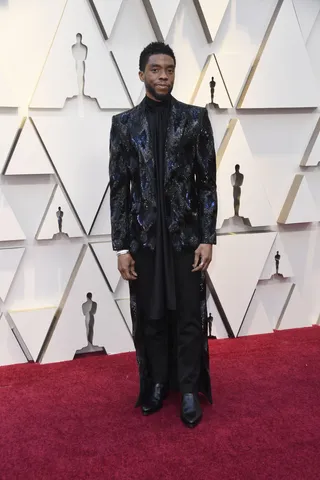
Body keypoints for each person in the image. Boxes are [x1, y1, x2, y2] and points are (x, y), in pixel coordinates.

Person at [109, 42, 217, 428]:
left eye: (169, 69)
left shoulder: (194, 119)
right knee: (151, 317)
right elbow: (119, 187)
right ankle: (155, 384)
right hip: (143, 241)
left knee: (189, 314)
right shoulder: (123, 125)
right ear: (141, 75)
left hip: (186, 239)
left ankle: (188, 389)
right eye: (155, 70)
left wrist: (207, 236)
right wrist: (121, 245)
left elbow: (206, 183)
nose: (163, 77)